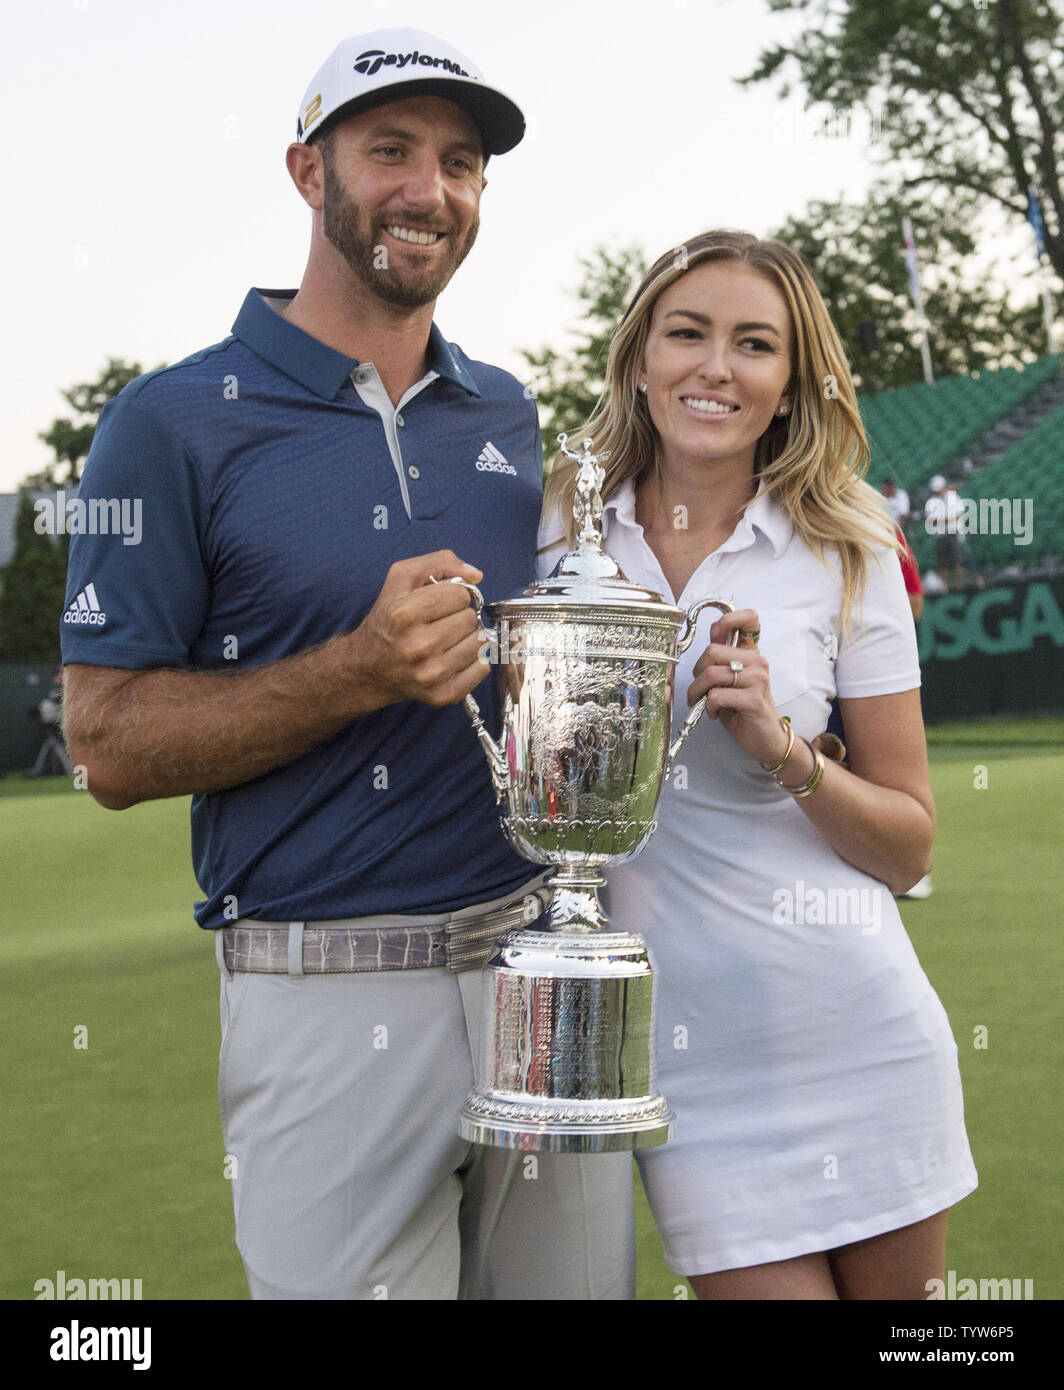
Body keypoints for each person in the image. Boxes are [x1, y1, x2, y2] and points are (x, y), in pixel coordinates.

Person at [60, 28, 633, 1301]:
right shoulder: (168, 423)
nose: (430, 189)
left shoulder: (506, 408)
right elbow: (104, 743)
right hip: (325, 993)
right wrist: (354, 670)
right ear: (304, 170)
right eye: (389, 150)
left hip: (538, 962)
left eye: (462, 160)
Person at [540, 230, 977, 1300]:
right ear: (638, 355)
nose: (714, 367)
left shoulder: (847, 542)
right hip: (685, 1070)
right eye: (685, 333)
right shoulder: (557, 525)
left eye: (753, 344)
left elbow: (909, 840)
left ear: (786, 384)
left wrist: (786, 753)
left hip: (860, 1038)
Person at [924, 475, 965, 591]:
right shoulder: (932, 501)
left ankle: (960, 587)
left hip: (953, 533)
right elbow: (930, 519)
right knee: (942, 563)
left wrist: (943, 520)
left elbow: (958, 515)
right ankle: (944, 588)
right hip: (940, 535)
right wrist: (947, 519)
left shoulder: (953, 497)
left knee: (957, 561)